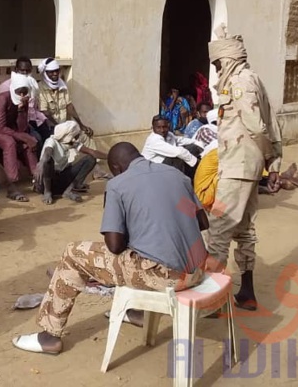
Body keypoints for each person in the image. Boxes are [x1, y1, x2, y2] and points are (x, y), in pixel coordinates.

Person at [11, 143, 208, 355]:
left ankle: (49, 335)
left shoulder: (118, 184)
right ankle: (137, 311)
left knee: (73, 253)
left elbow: (114, 246)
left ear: (116, 167)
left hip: (167, 277)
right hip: (196, 270)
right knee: (142, 249)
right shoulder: (176, 175)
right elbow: (202, 222)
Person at [204, 35, 282, 312]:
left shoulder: (239, 82)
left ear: (227, 59)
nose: (216, 71)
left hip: (238, 167)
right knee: (245, 228)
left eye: (217, 64)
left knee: (219, 228)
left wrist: (270, 158)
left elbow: (258, 126)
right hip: (246, 167)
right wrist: (271, 161)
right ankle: (246, 292)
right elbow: (271, 122)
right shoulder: (253, 78)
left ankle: (212, 299)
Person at [38, 57, 110, 179]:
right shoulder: (40, 88)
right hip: (51, 127)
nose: (55, 74)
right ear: (46, 73)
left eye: (57, 71)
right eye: (51, 72)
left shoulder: (62, 85)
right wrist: (60, 127)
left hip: (66, 125)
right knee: (72, 143)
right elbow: (45, 112)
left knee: (85, 135)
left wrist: (81, 125)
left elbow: (69, 106)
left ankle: (96, 169)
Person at [33, 121, 107, 205]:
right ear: (70, 135)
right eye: (76, 134)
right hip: (45, 182)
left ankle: (69, 190)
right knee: (48, 161)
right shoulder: (51, 141)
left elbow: (92, 152)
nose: (78, 136)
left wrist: (111, 156)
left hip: (61, 180)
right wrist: (41, 162)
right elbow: (47, 153)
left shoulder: (71, 143)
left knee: (91, 159)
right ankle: (47, 192)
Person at [0, 56, 52, 150]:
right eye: (22, 70)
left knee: (50, 136)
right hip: (17, 122)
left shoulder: (32, 83)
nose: (25, 73)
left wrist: (44, 119)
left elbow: (34, 108)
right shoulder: (6, 86)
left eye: (28, 71)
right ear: (16, 70)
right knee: (37, 139)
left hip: (33, 119)